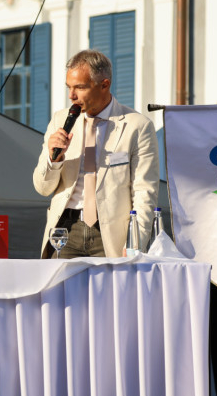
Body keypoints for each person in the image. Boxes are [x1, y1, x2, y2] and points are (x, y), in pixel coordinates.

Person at [32, 50, 159, 258]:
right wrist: (54, 160)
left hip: (110, 235)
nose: (71, 96)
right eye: (69, 87)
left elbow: (144, 192)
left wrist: (135, 242)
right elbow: (42, 188)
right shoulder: (60, 120)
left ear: (104, 85)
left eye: (80, 87)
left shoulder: (137, 126)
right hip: (65, 230)